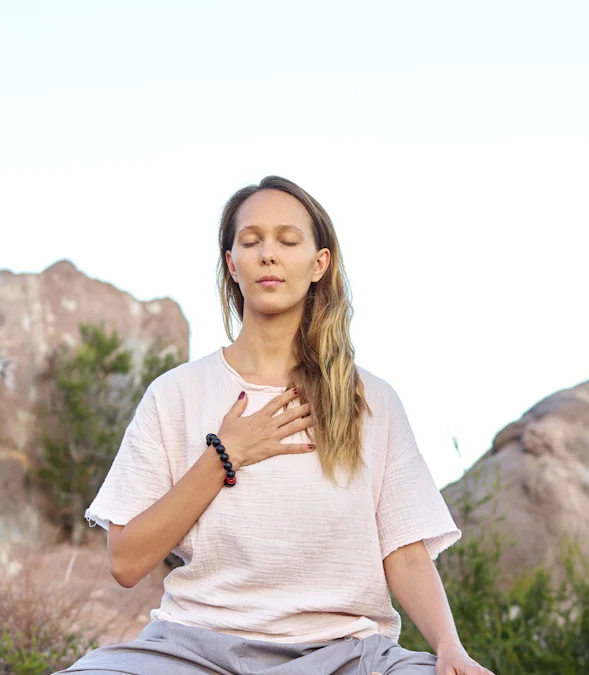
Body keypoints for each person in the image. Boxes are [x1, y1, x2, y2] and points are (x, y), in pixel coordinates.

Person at [53, 176, 494, 675]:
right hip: (192, 650)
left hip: (346, 654)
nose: (268, 254)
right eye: (251, 241)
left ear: (318, 264)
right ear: (231, 264)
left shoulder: (371, 401)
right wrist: (224, 456)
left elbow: (406, 554)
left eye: (287, 241)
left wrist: (451, 649)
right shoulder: (175, 393)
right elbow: (126, 561)